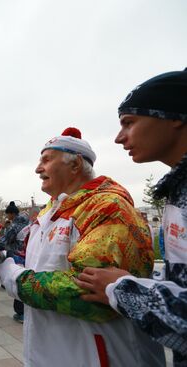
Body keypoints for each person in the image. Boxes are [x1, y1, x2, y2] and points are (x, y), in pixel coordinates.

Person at [0, 127, 165, 366]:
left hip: (100, 355)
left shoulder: (108, 209)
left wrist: (13, 277)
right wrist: (2, 260)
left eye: (47, 160)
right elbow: (45, 267)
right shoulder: (47, 213)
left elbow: (91, 294)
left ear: (75, 165)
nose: (38, 168)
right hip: (52, 351)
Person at [76, 69, 187, 366]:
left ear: (174, 116)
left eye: (129, 122)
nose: (118, 137)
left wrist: (120, 288)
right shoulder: (178, 191)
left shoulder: (110, 205)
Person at [0, 201, 29, 322]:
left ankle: (21, 313)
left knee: (18, 282)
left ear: (11, 214)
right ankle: (27, 311)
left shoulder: (14, 226)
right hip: (30, 256)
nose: (7, 217)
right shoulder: (29, 223)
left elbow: (3, 241)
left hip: (17, 257)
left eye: (8, 214)